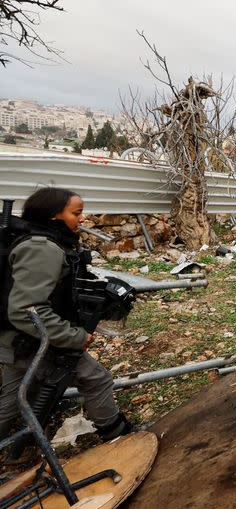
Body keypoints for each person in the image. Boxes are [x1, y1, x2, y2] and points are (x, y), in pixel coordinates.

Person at [1, 187, 132, 449]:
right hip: (27, 340)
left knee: (15, 400)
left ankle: (17, 445)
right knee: (96, 379)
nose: (82, 219)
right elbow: (27, 310)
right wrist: (75, 336)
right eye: (77, 212)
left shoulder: (45, 240)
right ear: (53, 216)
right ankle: (117, 435)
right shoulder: (43, 248)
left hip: (21, 338)